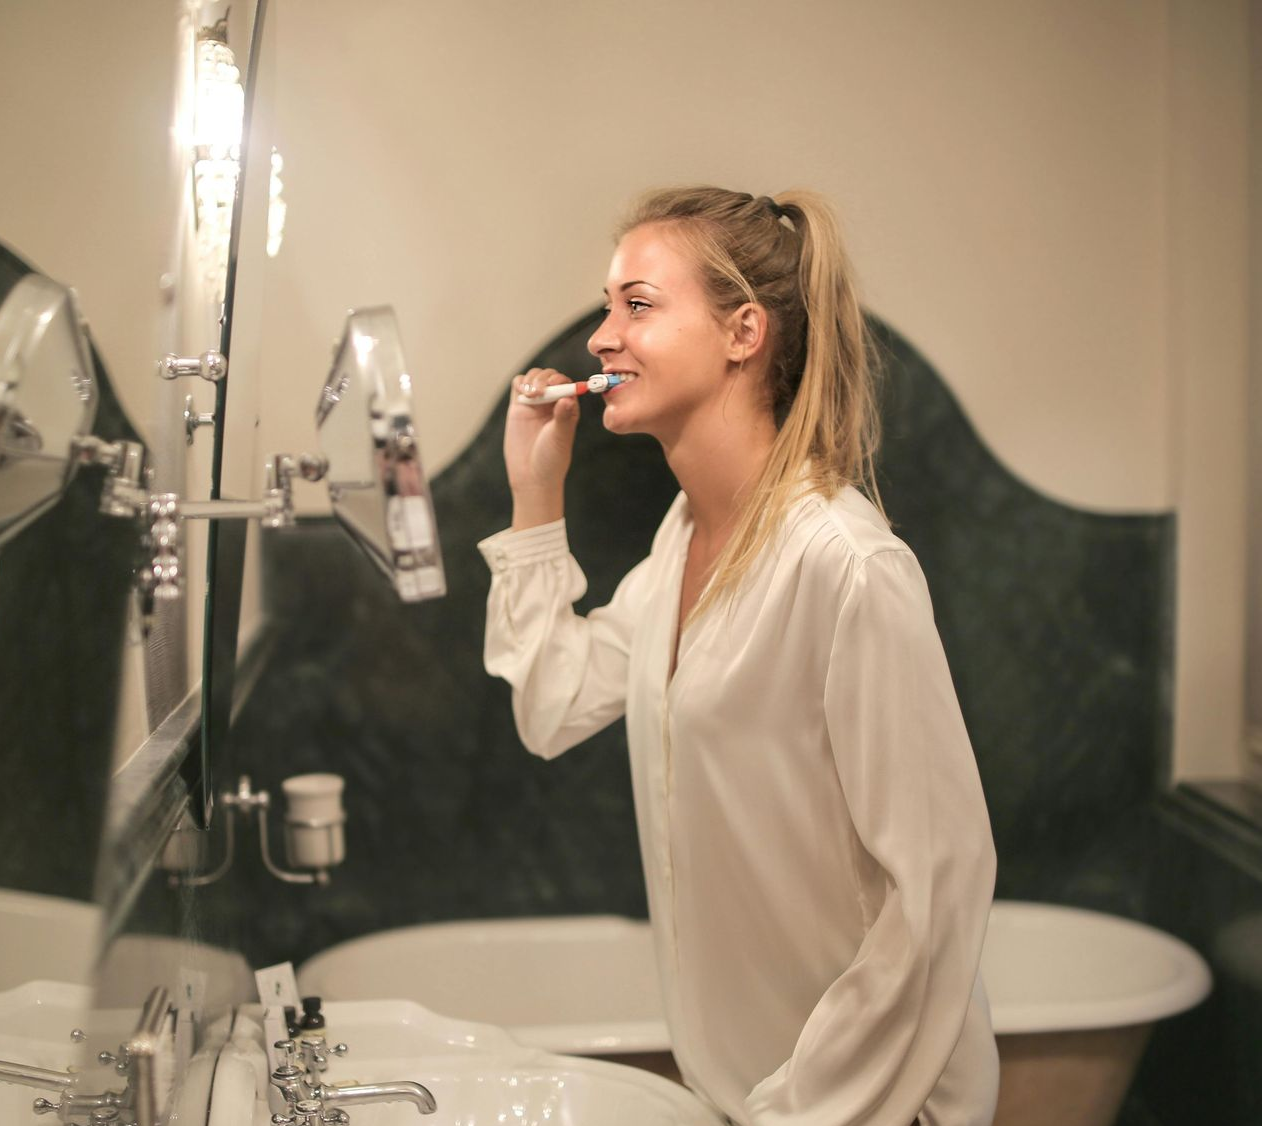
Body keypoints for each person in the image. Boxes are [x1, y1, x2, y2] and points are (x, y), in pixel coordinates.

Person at [478, 187, 998, 1126]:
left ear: (743, 332)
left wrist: (802, 1110)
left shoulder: (845, 567)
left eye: (637, 305)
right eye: (607, 306)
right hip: (744, 1095)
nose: (600, 337)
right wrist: (533, 494)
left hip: (866, 1109)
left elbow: (937, 893)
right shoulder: (683, 539)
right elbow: (551, 708)